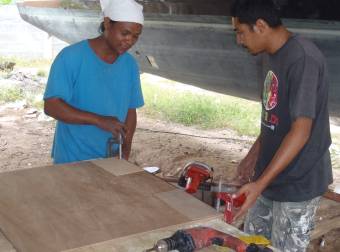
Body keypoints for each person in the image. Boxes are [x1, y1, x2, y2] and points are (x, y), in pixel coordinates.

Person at [230, 0, 333, 251]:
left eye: (241, 32)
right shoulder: (270, 55)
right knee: (253, 243)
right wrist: (253, 157)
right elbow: (272, 116)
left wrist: (260, 183)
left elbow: (301, 130)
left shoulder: (303, 58)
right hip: (270, 176)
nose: (239, 41)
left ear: (261, 26)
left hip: (298, 181)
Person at [44, 0, 144, 164]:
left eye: (135, 36)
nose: (130, 41)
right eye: (125, 33)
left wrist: (125, 148)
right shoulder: (71, 57)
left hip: (110, 158)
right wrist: (99, 120)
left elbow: (130, 110)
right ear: (107, 23)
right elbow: (51, 106)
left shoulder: (130, 65)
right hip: (72, 159)